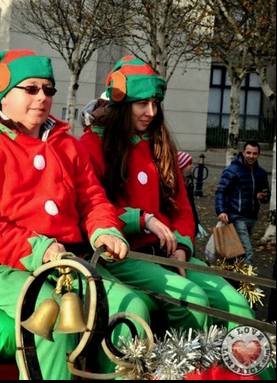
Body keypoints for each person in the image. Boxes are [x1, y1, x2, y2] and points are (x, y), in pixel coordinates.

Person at [0, 49, 151, 379]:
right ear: (3, 96)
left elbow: (93, 201)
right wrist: (37, 248)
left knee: (132, 309)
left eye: (48, 89)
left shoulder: (66, 143)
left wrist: (104, 230)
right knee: (51, 320)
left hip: (70, 264)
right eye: (31, 88)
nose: (42, 97)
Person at [79, 55, 260, 337]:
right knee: (193, 302)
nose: (150, 112)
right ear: (121, 105)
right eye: (142, 104)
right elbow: (89, 207)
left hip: (168, 255)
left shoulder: (160, 145)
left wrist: (182, 247)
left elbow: (183, 209)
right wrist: (141, 219)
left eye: (155, 104)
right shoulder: (92, 145)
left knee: (239, 307)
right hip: (123, 256)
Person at [215, 140, 270, 266]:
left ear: (259, 155)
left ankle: (233, 279)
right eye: (248, 153)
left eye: (254, 153)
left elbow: (266, 193)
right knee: (247, 252)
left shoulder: (260, 173)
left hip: (252, 217)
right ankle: (247, 283)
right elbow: (221, 191)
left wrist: (263, 196)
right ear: (243, 153)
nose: (251, 156)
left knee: (237, 252)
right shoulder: (232, 170)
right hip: (236, 216)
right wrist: (221, 210)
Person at [177, 151, 207, 239]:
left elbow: (191, 205)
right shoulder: (178, 185)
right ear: (181, 166)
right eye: (189, 164)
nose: (192, 166)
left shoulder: (188, 180)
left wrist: (196, 222)